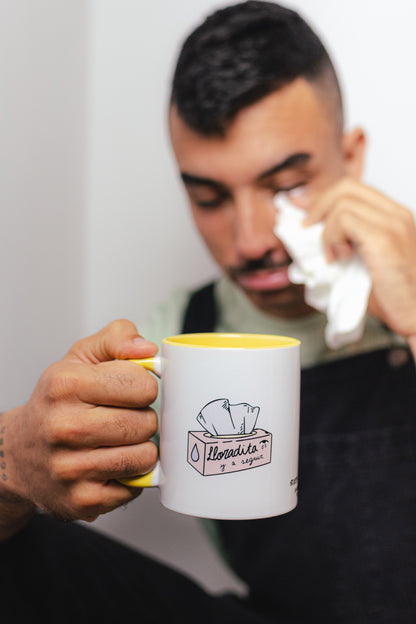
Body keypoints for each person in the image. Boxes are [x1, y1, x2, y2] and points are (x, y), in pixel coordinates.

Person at [1, 1, 415, 622]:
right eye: (209, 197)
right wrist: (15, 460)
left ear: (351, 159)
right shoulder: (174, 336)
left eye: (286, 185)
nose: (250, 240)